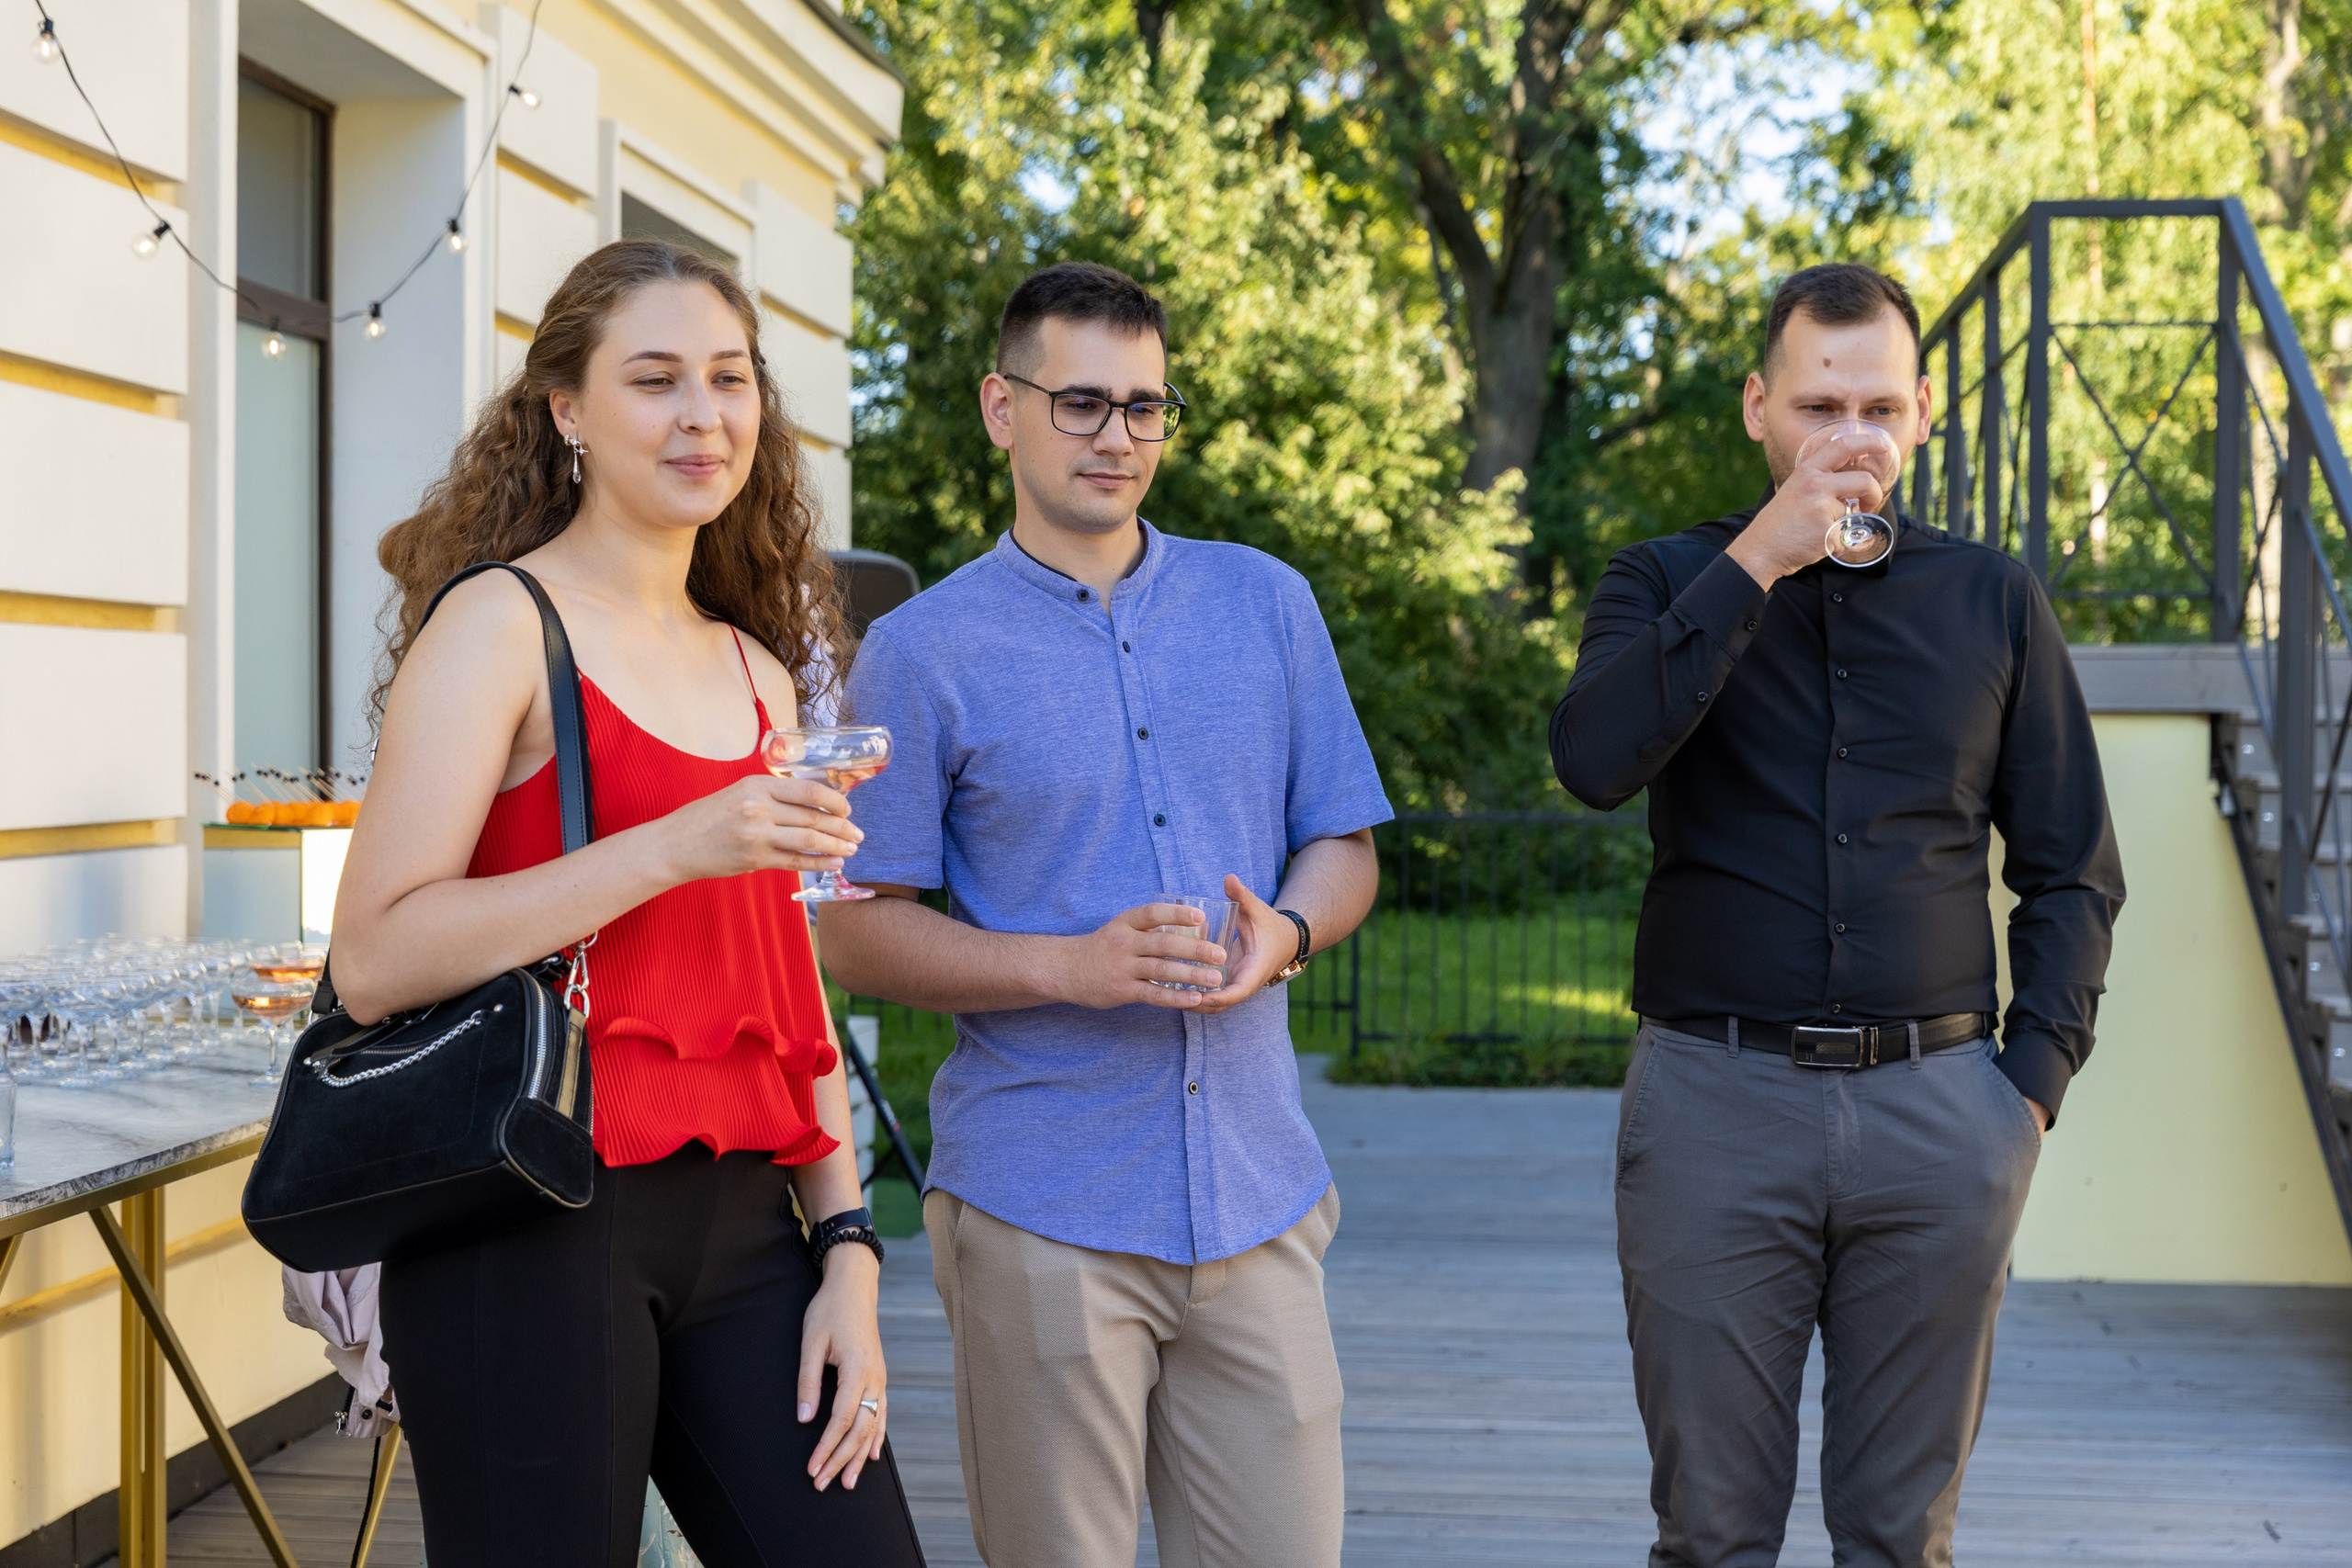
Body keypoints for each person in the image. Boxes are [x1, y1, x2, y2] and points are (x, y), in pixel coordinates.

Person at [331, 239, 926, 1568]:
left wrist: (847, 1245)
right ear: (567, 412)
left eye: (728, 378)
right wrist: (676, 844)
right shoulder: (496, 624)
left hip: (746, 1227)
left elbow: (789, 990)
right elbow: (373, 957)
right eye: (654, 380)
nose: (702, 415)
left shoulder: (761, 673)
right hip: (526, 1215)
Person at [815, 261, 1390, 1568]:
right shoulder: (920, 650)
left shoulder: (1267, 605)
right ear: (999, 408)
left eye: (1144, 406)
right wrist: (1069, 966)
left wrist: (1287, 936)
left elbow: (1342, 847)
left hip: (1258, 1193)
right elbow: (850, 925)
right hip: (1042, 1206)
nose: (1117, 435)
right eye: (1081, 402)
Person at [1552, 262, 2125, 1567]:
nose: (1849, 438)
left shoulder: (1994, 598)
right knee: (1709, 1532)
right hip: (1713, 1105)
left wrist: (2024, 1093)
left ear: (1923, 412)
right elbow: (1593, 760)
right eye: (1819, 405)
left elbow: (2073, 867)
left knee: (1899, 1538)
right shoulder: (1662, 578)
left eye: (1877, 407)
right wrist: (1764, 554)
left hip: (1941, 1120)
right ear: (1760, 408)